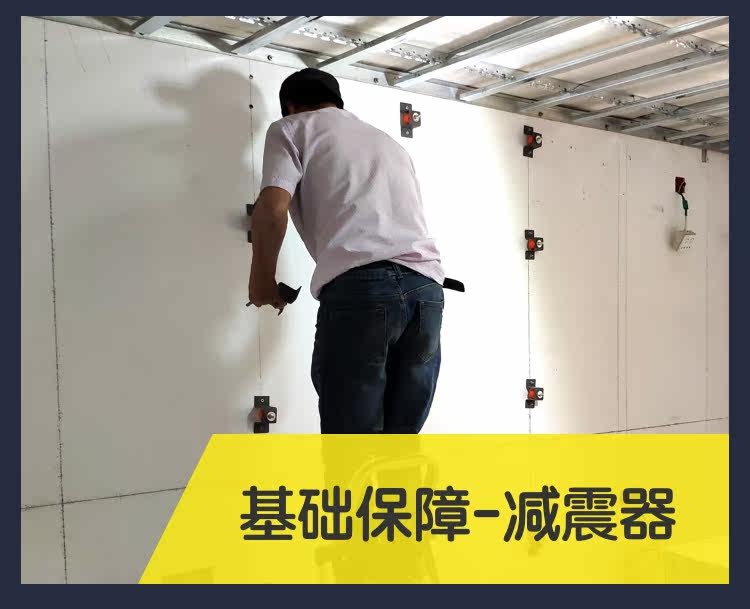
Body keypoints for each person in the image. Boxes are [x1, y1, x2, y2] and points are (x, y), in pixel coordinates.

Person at [248, 68, 445, 434]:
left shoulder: (291, 128)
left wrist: (261, 284)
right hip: (427, 291)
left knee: (352, 446)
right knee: (400, 445)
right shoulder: (387, 143)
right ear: (337, 103)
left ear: (290, 106)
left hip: (363, 291)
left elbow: (271, 210)